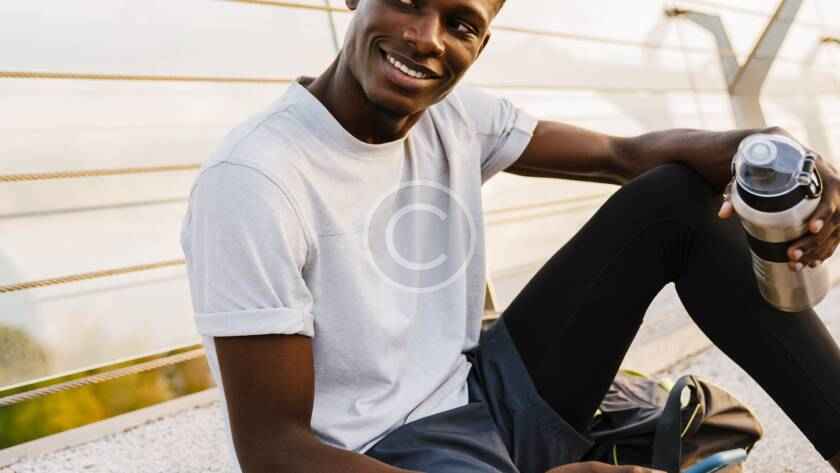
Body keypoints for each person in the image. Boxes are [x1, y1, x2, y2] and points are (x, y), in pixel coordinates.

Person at [179, 0, 840, 472]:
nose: (426, 38)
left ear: (481, 44)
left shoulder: (454, 115)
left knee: (676, 199)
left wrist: (769, 150)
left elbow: (623, 154)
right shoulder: (255, 179)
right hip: (386, 455)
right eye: (406, 1)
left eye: (460, 23)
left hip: (483, 392)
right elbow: (275, 451)